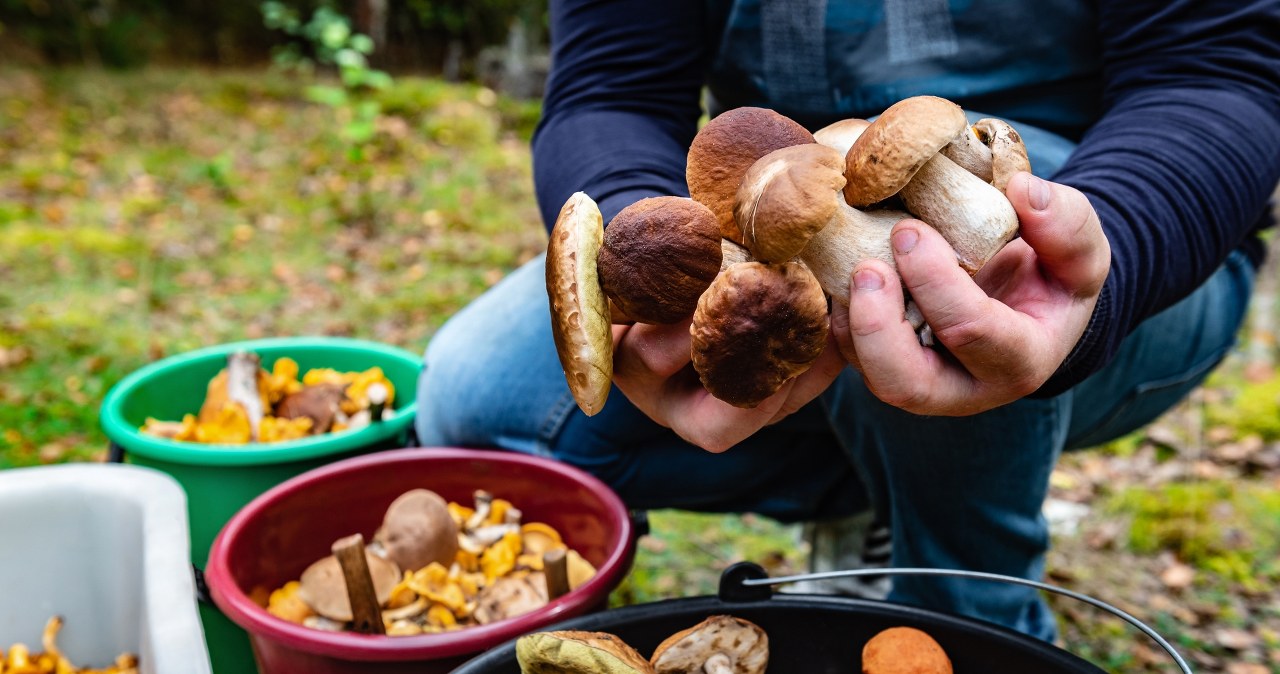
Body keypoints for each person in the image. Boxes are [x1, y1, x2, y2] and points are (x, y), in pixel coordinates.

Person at [416, 0, 1280, 642]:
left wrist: (1116, 245)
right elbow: (611, 89)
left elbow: (1217, 74)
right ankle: (887, 487)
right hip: (781, 228)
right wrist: (657, 268)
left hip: (1122, 243)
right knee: (479, 401)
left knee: (925, 275)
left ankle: (972, 616)